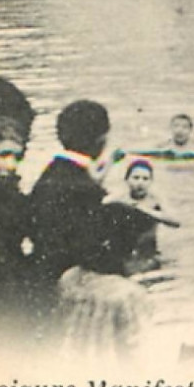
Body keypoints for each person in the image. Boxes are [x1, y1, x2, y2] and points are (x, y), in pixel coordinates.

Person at [23, 100, 152, 353]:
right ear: (101, 140)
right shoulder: (85, 188)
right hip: (67, 280)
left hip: (44, 273)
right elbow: (96, 252)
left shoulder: (52, 173)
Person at [108, 158, 180, 275]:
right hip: (124, 251)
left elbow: (176, 221)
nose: (140, 182)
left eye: (145, 179)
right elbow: (102, 207)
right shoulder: (119, 198)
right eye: (136, 178)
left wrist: (145, 210)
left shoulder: (155, 200)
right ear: (126, 180)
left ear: (151, 182)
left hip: (148, 252)